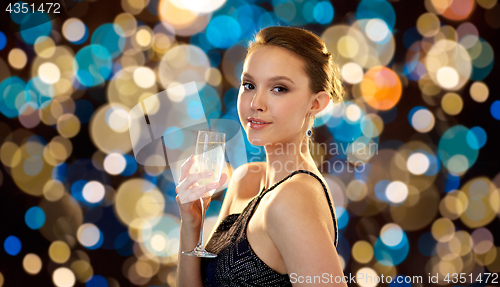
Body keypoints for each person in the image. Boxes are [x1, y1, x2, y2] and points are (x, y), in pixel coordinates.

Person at [175, 25, 346, 286]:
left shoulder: (293, 197)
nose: (256, 103)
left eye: (279, 88)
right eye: (249, 85)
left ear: (316, 104)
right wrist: (191, 225)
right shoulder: (247, 179)